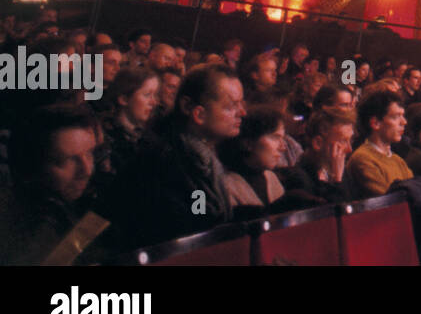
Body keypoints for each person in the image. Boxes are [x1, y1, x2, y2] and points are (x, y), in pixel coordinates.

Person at [103, 64, 245, 249]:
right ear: (194, 110)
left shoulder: (199, 158)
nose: (242, 112)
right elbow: (196, 220)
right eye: (231, 106)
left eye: (241, 103)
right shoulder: (168, 163)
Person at [1, 104, 107, 265]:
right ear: (32, 167)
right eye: (66, 160)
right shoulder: (34, 231)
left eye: (89, 154)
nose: (86, 170)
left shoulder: (75, 204)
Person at [279, 107, 354, 204]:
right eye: (343, 141)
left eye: (350, 140)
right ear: (318, 143)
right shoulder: (298, 179)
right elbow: (332, 214)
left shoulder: (340, 170)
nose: (349, 149)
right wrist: (337, 181)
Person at [346, 90, 412, 198]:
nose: (404, 122)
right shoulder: (363, 159)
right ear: (375, 123)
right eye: (396, 117)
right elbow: (390, 202)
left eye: (403, 116)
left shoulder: (398, 161)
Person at [219, 107, 288, 211]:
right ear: (248, 143)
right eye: (275, 137)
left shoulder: (271, 178)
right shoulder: (226, 185)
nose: (283, 147)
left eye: (283, 138)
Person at [97, 67, 159, 178]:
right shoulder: (103, 137)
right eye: (147, 95)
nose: (154, 102)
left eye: (155, 95)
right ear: (124, 99)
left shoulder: (150, 135)